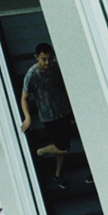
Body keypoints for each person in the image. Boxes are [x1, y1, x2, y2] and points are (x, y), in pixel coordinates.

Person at [20, 41, 74, 186]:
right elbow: (24, 98)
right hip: (49, 116)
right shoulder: (32, 75)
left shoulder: (56, 68)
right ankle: (40, 152)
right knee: (63, 147)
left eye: (50, 59)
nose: (47, 62)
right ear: (36, 57)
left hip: (63, 111)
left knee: (63, 146)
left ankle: (57, 174)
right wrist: (28, 117)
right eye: (43, 59)